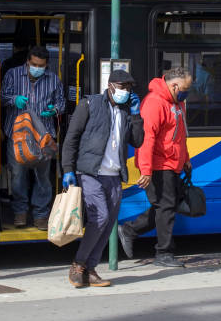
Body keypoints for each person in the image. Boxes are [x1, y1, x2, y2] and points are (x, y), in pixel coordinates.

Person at [61, 69, 144, 288]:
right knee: (99, 218)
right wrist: (68, 168)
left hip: (114, 175)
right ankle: (77, 265)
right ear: (110, 86)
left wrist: (136, 115)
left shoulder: (127, 110)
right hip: (90, 172)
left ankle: (90, 269)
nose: (126, 91)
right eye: (122, 87)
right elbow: (72, 138)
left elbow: (137, 141)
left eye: (129, 88)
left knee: (107, 224)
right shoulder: (90, 104)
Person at [117, 67, 193, 267]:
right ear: (174, 85)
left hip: (173, 163)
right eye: (185, 88)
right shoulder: (154, 103)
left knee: (166, 205)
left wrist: (185, 158)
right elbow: (146, 140)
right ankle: (164, 253)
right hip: (159, 164)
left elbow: (180, 135)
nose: (187, 93)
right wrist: (146, 170)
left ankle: (129, 230)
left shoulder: (178, 103)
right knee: (166, 207)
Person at [1, 46, 66, 230]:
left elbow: (61, 103)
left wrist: (53, 110)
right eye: (34, 64)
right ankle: (20, 213)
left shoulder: (53, 79)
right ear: (28, 62)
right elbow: (1, 97)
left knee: (42, 178)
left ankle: (40, 216)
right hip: (18, 135)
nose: (37, 68)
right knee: (17, 176)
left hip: (43, 135)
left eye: (41, 65)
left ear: (46, 65)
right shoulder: (13, 75)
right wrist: (14, 100)